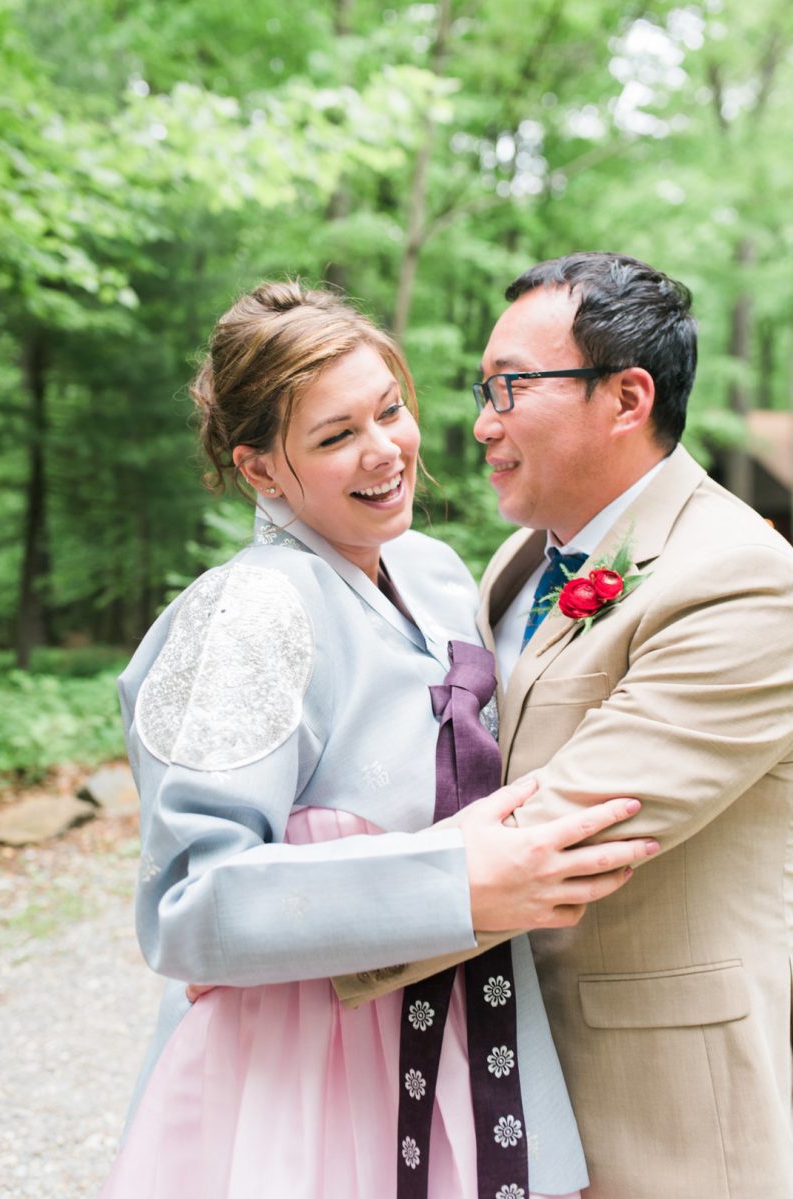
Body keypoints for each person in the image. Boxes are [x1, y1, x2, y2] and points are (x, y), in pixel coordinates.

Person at [96, 280, 658, 1199]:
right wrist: (454, 879)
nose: (384, 451)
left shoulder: (436, 574)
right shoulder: (249, 611)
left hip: (472, 1029)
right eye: (333, 436)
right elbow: (190, 904)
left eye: (390, 409)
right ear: (261, 471)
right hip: (309, 1065)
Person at [346, 252, 793, 1198]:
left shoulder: (745, 581)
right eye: (481, 388)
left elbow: (567, 831)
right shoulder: (518, 557)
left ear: (626, 398)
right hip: (500, 1077)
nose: (480, 424)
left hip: (657, 1105)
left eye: (509, 386)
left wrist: (297, 935)